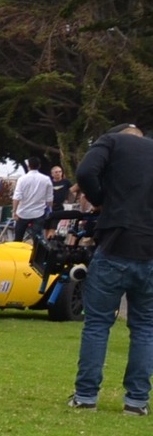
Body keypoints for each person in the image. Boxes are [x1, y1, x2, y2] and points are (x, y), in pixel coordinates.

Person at [69, 122, 153, 414]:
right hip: (149, 249)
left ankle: (86, 395)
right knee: (145, 328)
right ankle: (137, 401)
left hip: (116, 242)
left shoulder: (112, 142)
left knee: (97, 324)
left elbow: (85, 173)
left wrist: (101, 199)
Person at [13, 156, 54, 242]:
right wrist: (49, 209)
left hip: (23, 212)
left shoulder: (22, 179)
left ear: (28, 166)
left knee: (18, 237)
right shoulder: (46, 179)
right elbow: (49, 199)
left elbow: (17, 197)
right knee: (37, 239)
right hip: (39, 212)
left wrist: (14, 211)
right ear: (39, 166)